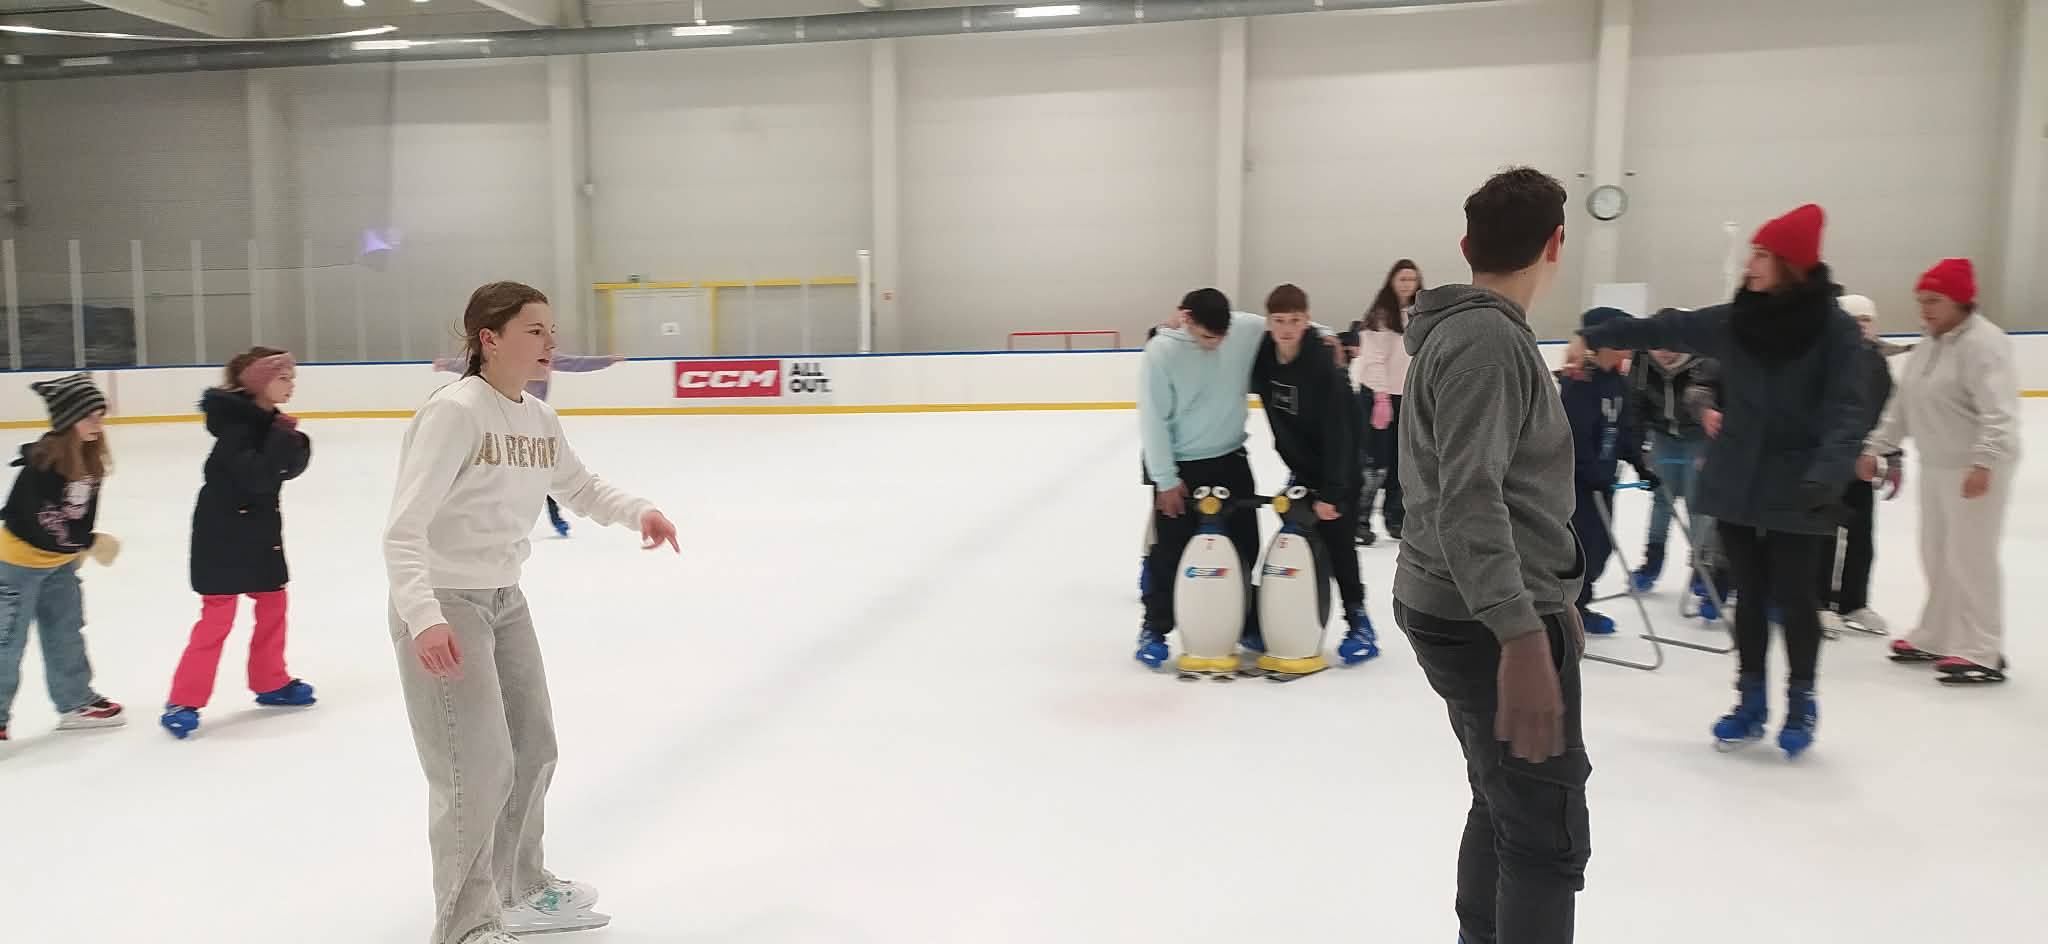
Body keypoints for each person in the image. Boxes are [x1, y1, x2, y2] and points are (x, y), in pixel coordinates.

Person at [386, 281, 680, 944]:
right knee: (474, 766)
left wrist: (639, 511)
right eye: (535, 330)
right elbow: (404, 528)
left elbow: (579, 486)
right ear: (489, 339)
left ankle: (517, 888)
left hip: (504, 598)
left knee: (532, 745)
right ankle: (465, 926)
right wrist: (423, 615)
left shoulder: (538, 419)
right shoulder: (455, 412)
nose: (551, 342)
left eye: (551, 330)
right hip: (444, 600)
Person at [1568, 203, 1866, 758]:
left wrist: (1829, 473)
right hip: (1737, 477)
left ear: (1790, 263)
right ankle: (1750, 701)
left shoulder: (1835, 331)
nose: (1750, 264)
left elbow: (1850, 410)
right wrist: (1601, 330)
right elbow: (1668, 327)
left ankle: (1801, 700)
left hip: (1802, 484)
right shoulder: (1739, 319)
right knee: (1747, 595)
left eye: (1762, 255)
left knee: (1795, 598)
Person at [1396, 167, 1589, 944]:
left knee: (1503, 801)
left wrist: (1552, 601)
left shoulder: (1469, 333)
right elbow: (1469, 499)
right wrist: (1520, 631)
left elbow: (1498, 491)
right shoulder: (1487, 342)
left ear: (1466, 244)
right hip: (1482, 617)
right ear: (1556, 244)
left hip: (1474, 601)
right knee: (1544, 837)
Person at [1863, 259, 2020, 684]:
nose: (1925, 309)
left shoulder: (1985, 344)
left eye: (1934, 300)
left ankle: (1983, 648)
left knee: (1970, 557)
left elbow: (2000, 414)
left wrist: (1984, 462)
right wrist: (1876, 447)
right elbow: (1903, 405)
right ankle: (1939, 634)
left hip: (1976, 468)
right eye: (1921, 301)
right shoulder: (1929, 344)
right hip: (1937, 464)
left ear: (1960, 301)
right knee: (1936, 553)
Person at [161, 348, 316, 739]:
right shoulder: (237, 428)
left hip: (259, 530)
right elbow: (258, 476)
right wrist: (282, 439)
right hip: (222, 533)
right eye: (283, 378)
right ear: (260, 383)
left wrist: (293, 441)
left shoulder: (269, 423)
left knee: (273, 603)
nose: (291, 385)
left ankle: (271, 681)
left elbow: (287, 468)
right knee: (217, 616)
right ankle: (183, 700)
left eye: (292, 377)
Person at [1135, 288, 1272, 668]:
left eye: (1222, 336)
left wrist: (1329, 335)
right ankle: (1155, 627)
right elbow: (1153, 421)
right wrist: (1165, 480)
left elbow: (1285, 323)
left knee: (1246, 545)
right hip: (1183, 467)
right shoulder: (1161, 352)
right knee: (1170, 552)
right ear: (1187, 319)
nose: (1217, 344)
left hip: (1231, 459)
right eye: (1209, 337)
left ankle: (1245, 620)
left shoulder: (1241, 328)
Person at [1252, 284, 1377, 664]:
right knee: (1293, 544)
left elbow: (1342, 436)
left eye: (1294, 321)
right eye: (1278, 321)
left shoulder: (1324, 369)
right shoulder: (1264, 357)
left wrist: (1333, 494)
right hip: (1302, 469)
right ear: (1269, 322)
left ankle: (1359, 624)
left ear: (1306, 320)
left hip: (1340, 471)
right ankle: (1279, 619)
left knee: (1339, 548)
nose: (1286, 329)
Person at [0, 373, 124, 744]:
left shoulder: (89, 460)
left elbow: (81, 516)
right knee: (7, 642)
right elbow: (41, 520)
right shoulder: (42, 464)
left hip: (58, 565)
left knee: (66, 632)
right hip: (16, 567)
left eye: (100, 416)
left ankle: (75, 702)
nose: (98, 425)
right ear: (68, 420)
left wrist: (78, 546)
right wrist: (85, 543)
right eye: (90, 417)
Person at [433, 350, 625, 537]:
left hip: (531, 426)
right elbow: (474, 364)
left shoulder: (548, 359)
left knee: (544, 472)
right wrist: (447, 364)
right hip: (505, 423)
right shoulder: (511, 360)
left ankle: (553, 516)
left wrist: (607, 360)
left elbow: (578, 363)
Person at [1558, 308, 1654, 637]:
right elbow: (1574, 436)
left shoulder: (1618, 382)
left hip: (1604, 482)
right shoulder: (1578, 384)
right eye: (1623, 343)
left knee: (1601, 549)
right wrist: (1588, 471)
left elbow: (1624, 430)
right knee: (1579, 549)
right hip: (1577, 486)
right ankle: (1569, 610)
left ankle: (1577, 605)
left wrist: (1640, 463)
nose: (1628, 351)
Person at [1814, 295, 1898, 639]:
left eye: (1867, 320)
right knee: (1824, 535)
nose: (1862, 326)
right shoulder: (1823, 360)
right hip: (1827, 462)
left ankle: (1854, 602)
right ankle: (1819, 603)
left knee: (1861, 536)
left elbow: (1890, 415)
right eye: (1855, 320)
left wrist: (1891, 456)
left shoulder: (1877, 363)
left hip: (1863, 462)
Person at [1626, 347, 1719, 600]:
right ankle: (1652, 562)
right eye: (1658, 348)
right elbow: (1635, 404)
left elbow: (1718, 400)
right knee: (1661, 499)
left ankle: (1703, 568)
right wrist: (1639, 447)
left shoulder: (1704, 359)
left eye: (1671, 347)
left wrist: (1714, 448)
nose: (1665, 354)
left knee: (1698, 503)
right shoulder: (1642, 361)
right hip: (1662, 435)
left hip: (1699, 435)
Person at [1355, 259, 1422, 544]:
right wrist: (1381, 397)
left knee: (1401, 462)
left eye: (1411, 279)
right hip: (1377, 396)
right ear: (1392, 281)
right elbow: (1373, 359)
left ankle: (1396, 517)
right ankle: (1359, 518)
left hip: (1407, 397)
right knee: (1375, 462)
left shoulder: (1421, 315)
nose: (1407, 284)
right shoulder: (1380, 316)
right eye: (1402, 278)